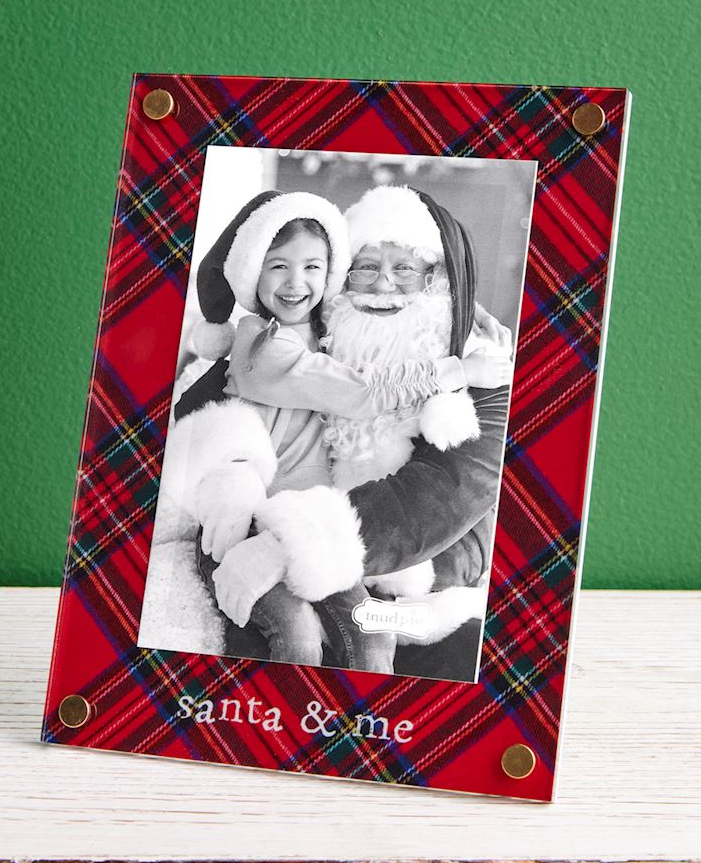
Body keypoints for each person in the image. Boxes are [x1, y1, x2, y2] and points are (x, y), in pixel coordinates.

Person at [178, 184, 513, 681]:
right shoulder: (280, 343)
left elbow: (440, 497)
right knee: (289, 634)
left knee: (384, 639)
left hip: (402, 578)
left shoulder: (482, 374)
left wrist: (467, 311)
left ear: (437, 280)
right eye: (366, 267)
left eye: (405, 268)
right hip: (258, 528)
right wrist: (229, 470)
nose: (383, 286)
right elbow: (358, 389)